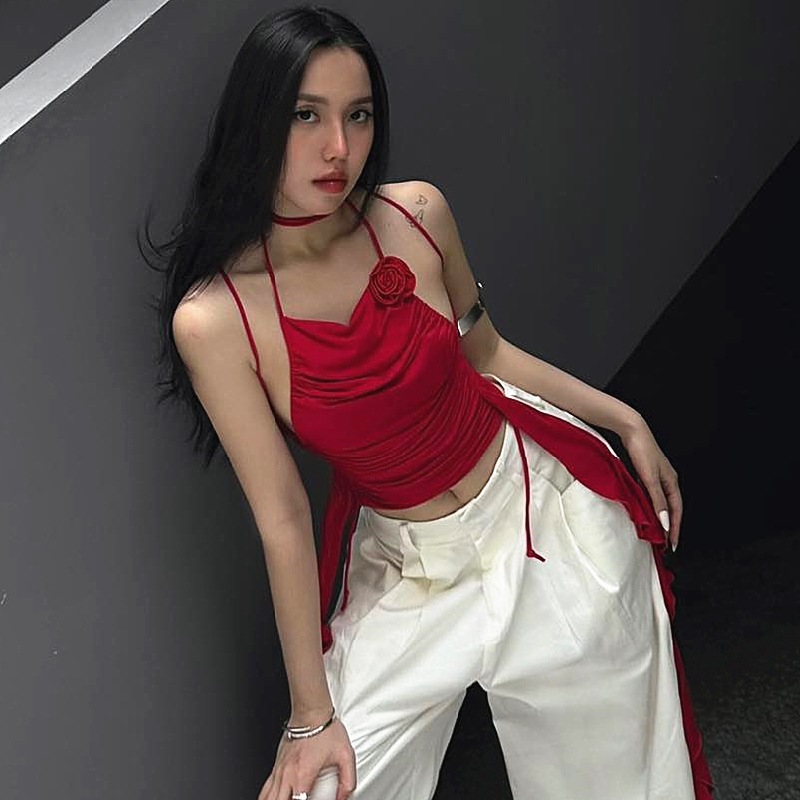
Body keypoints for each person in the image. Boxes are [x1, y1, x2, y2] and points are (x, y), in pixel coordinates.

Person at [145, 5, 714, 799]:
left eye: (358, 115)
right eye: (306, 115)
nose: (338, 147)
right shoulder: (215, 319)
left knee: (627, 782)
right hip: (411, 572)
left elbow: (490, 355)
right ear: (257, 121)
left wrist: (625, 419)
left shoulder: (415, 213)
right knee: (322, 791)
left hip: (539, 517)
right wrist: (309, 717)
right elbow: (283, 516)